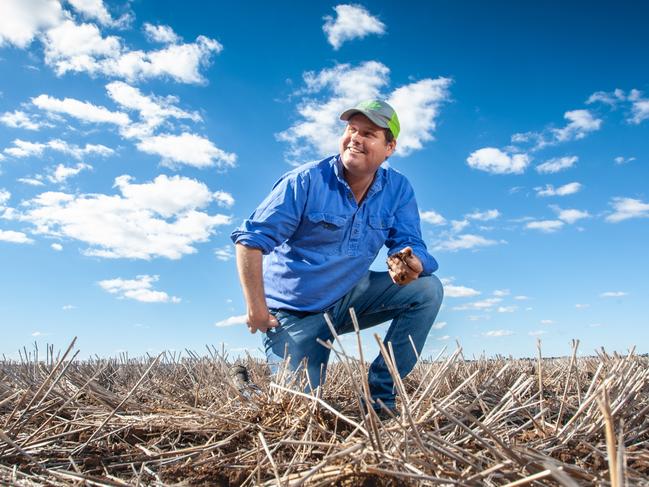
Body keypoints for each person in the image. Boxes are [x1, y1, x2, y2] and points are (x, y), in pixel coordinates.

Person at [230, 100, 443, 414]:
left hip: (351, 296)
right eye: (351, 129)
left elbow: (410, 242)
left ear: (389, 147)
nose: (355, 138)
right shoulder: (304, 181)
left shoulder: (397, 189)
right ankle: (244, 386)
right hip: (296, 311)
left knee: (427, 289)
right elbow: (249, 242)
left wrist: (413, 263)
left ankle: (380, 400)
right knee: (297, 413)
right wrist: (257, 309)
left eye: (368, 133)